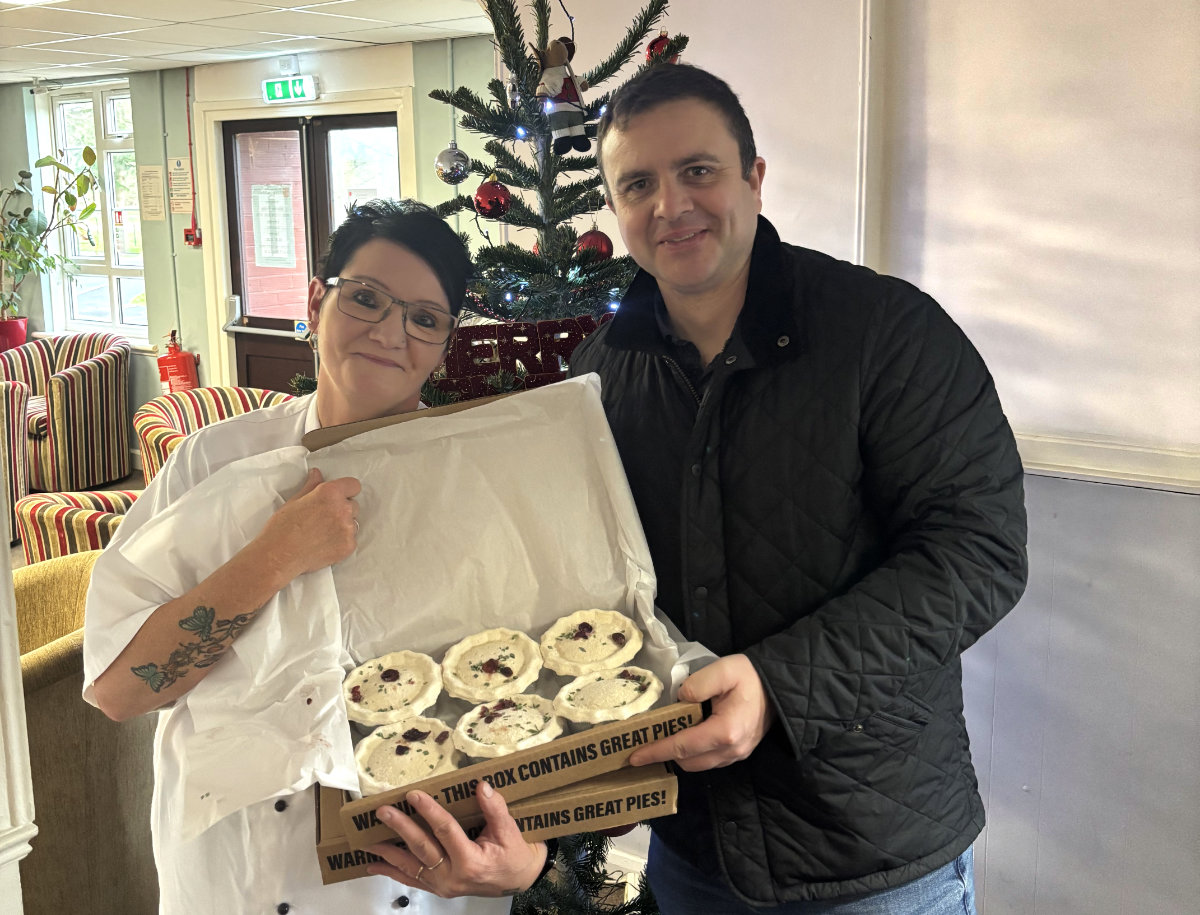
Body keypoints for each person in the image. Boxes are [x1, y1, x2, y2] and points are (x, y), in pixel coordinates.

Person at [568, 64, 1029, 914]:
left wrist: (779, 686)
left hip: (873, 858)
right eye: (638, 183)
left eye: (698, 170)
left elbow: (979, 553)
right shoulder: (598, 376)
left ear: (753, 176)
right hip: (692, 851)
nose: (671, 205)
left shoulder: (885, 333)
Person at [84, 200, 551, 914]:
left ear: (445, 342)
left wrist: (528, 858)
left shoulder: (476, 483)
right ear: (315, 299)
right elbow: (120, 689)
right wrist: (272, 556)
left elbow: (534, 686)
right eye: (366, 298)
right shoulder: (214, 462)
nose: (392, 332)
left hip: (413, 886)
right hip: (233, 878)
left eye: (425, 318)